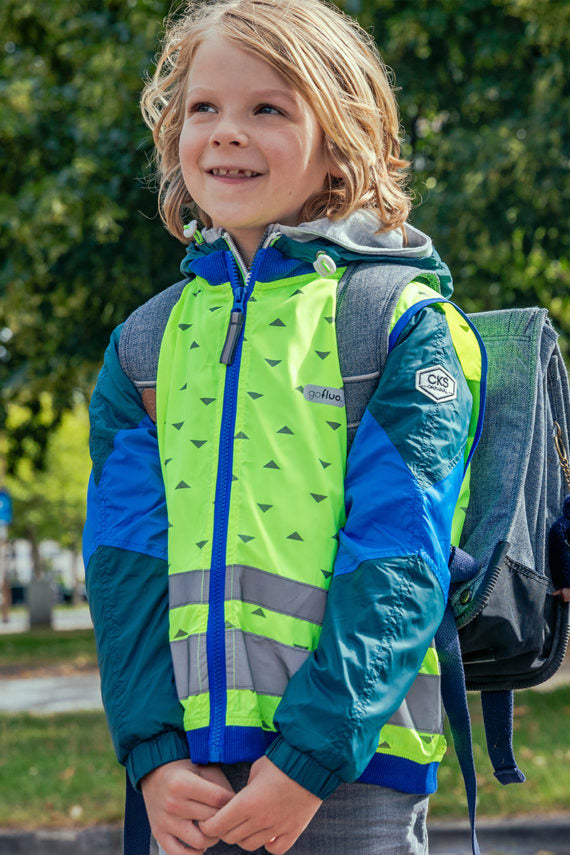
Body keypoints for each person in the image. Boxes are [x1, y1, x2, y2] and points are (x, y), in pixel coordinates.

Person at [83, 1, 486, 853]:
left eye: (268, 108)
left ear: (341, 137)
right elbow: (124, 568)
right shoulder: (145, 347)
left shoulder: (400, 326)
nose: (227, 132)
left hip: (348, 770)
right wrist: (153, 756)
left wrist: (306, 760)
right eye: (204, 108)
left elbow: (398, 563)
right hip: (188, 780)